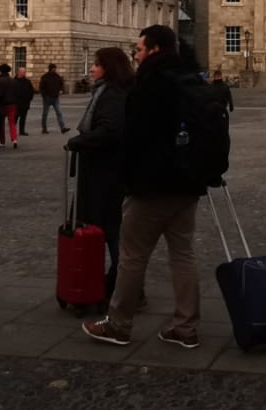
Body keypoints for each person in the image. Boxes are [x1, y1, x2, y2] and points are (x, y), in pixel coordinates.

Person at [83, 26, 220, 348]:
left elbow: (134, 137)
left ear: (155, 49)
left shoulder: (149, 84)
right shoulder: (192, 81)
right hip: (188, 184)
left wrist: (128, 179)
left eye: (140, 48)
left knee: (132, 256)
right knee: (183, 255)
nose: (136, 53)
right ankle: (186, 327)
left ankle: (118, 324)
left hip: (151, 185)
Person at [67, 45, 133, 301]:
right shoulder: (108, 91)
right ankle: (114, 282)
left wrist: (79, 142)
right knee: (107, 228)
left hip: (106, 173)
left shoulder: (113, 94)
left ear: (108, 67)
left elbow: (110, 131)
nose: (92, 69)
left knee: (110, 229)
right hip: (102, 171)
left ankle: (123, 285)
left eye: (95, 64)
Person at [0, 64, 22, 146]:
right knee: (12, 123)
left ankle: (2, 141)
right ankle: (14, 139)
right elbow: (17, 93)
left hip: (2, 105)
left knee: (1, 124)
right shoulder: (13, 81)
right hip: (12, 104)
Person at [38, 62, 68, 134]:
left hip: (55, 98)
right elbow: (41, 87)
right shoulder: (45, 77)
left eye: (55, 69)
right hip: (47, 98)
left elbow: (61, 84)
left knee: (59, 112)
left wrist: (61, 90)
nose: (54, 70)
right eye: (53, 69)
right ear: (50, 69)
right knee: (45, 113)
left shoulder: (57, 76)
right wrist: (44, 96)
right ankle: (44, 128)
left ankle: (62, 127)